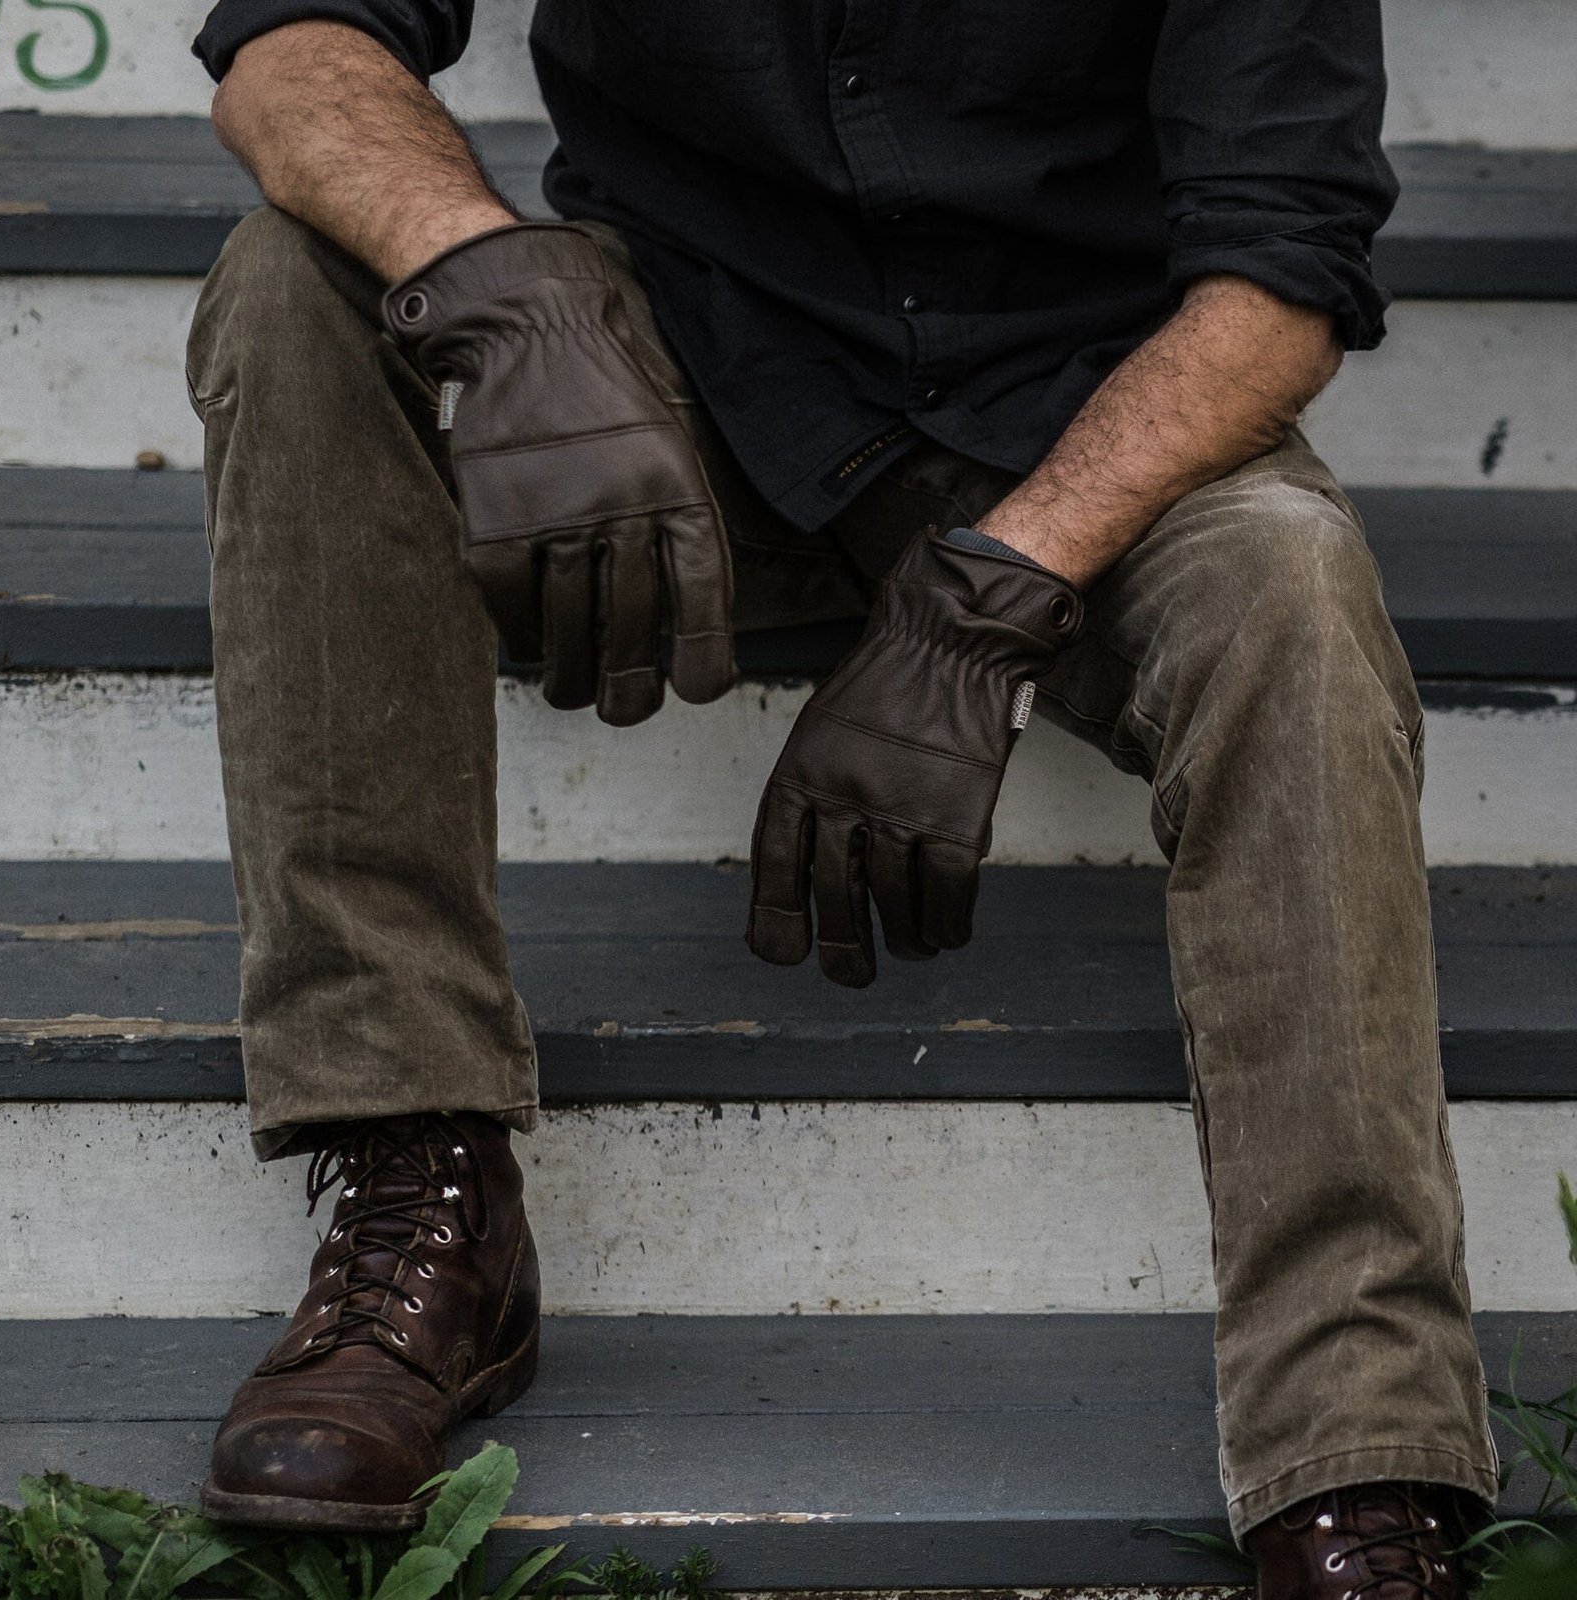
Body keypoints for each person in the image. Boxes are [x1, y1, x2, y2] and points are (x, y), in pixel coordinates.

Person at [183, 2, 1494, 1592]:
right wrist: (506, 291)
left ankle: (1357, 1443)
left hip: (1089, 411)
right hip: (684, 388)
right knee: (291, 283)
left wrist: (1000, 589)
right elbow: (291, 45)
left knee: (1293, 586)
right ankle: (423, 1180)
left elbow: (1280, 283)